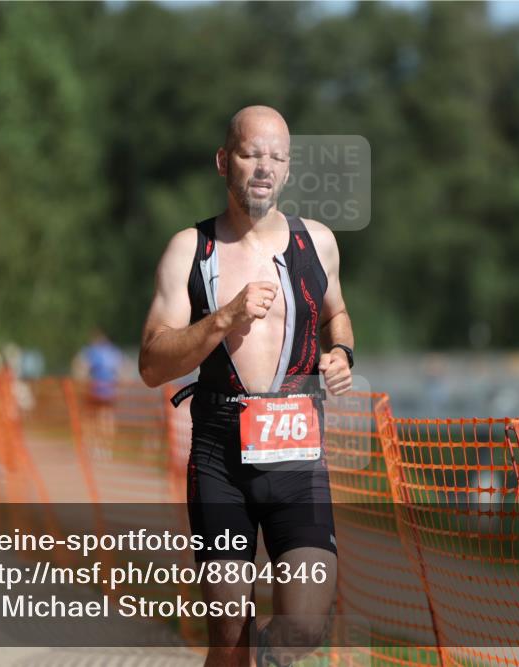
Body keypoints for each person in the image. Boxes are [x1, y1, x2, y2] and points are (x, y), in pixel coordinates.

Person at [139, 105, 354, 667]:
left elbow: (338, 313)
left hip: (297, 458)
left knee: (304, 629)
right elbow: (150, 364)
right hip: (219, 458)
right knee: (229, 636)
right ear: (222, 161)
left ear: (287, 169)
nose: (264, 167)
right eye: (250, 153)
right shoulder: (191, 249)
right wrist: (220, 321)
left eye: (276, 157)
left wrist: (341, 354)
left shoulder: (318, 243)